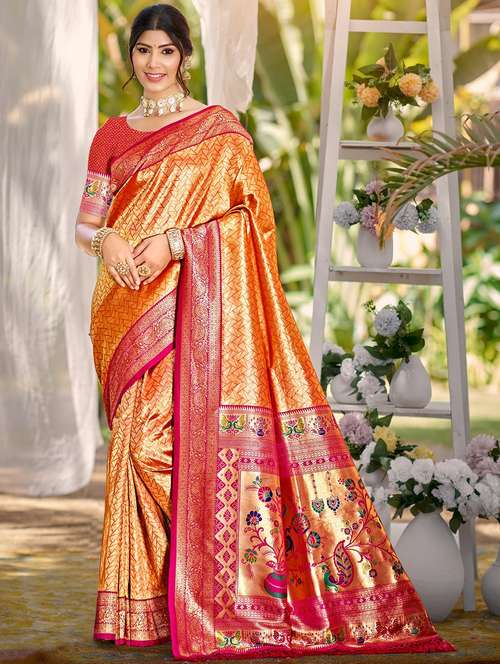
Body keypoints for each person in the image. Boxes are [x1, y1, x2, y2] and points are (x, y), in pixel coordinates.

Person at [75, 3, 454, 660]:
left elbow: (250, 222)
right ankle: (146, 611)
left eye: (166, 50)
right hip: (126, 311)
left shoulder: (220, 131)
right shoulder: (111, 135)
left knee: (162, 448)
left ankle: (221, 588)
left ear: (184, 57)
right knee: (131, 448)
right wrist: (105, 240)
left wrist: (176, 243)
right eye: (143, 50)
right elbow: (86, 223)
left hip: (194, 312)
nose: (154, 63)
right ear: (131, 56)